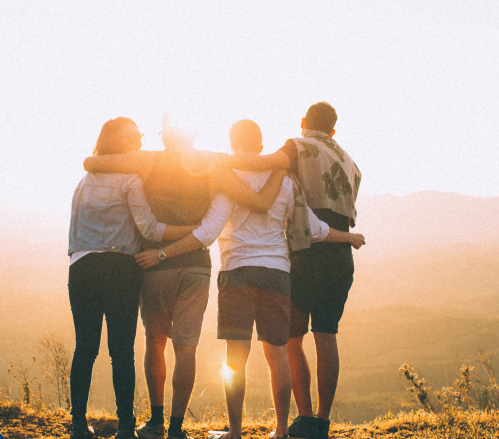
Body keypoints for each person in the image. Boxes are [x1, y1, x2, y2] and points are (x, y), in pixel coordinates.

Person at [135, 120, 365, 439]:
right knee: (277, 354)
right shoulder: (283, 179)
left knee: (236, 356)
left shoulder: (228, 179)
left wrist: (163, 253)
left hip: (237, 274)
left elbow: (207, 233)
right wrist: (347, 238)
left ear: (232, 143)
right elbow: (312, 228)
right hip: (276, 274)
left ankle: (236, 432)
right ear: (260, 146)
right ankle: (282, 430)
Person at [83, 114, 284, 439]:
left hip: (155, 264)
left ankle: (157, 423)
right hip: (196, 267)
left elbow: (92, 162)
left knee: (155, 342)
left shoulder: (147, 161)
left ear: (165, 137)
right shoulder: (213, 166)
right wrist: (280, 168)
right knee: (186, 348)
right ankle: (177, 428)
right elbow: (257, 202)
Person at [215, 103, 361, 439]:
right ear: (334, 130)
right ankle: (321, 422)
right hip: (339, 254)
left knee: (290, 340)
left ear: (303, 122)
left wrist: (213, 159)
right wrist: (349, 237)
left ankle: (304, 419)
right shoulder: (349, 161)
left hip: (306, 251)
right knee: (327, 335)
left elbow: (262, 163)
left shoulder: (297, 147)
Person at [68, 117, 197, 439]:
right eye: (132, 136)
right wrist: (195, 232)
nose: (139, 140)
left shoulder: (84, 181)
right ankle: (126, 426)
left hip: (82, 267)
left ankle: (79, 425)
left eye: (139, 134)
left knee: (84, 348)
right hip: (120, 269)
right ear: (115, 142)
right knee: (121, 351)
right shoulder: (130, 180)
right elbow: (150, 230)